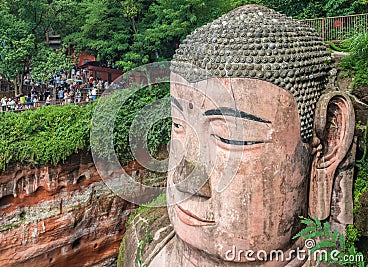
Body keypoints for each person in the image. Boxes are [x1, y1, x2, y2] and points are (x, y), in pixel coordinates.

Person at [143, 5, 355, 267]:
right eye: (178, 125)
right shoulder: (144, 242)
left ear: (329, 143)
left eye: (229, 138)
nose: (186, 179)